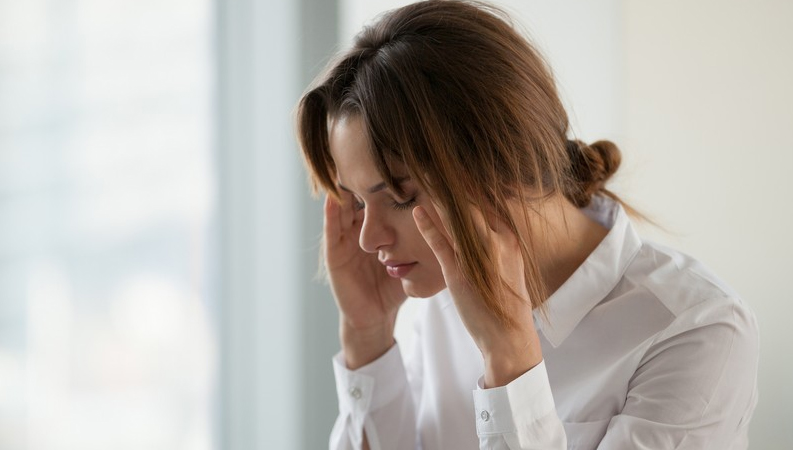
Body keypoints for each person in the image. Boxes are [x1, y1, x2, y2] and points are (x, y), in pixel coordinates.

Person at [296, 1, 759, 449]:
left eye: (400, 196)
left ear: (502, 162)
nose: (368, 238)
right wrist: (368, 336)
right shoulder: (442, 302)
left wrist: (510, 361)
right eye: (358, 201)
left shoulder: (697, 330)